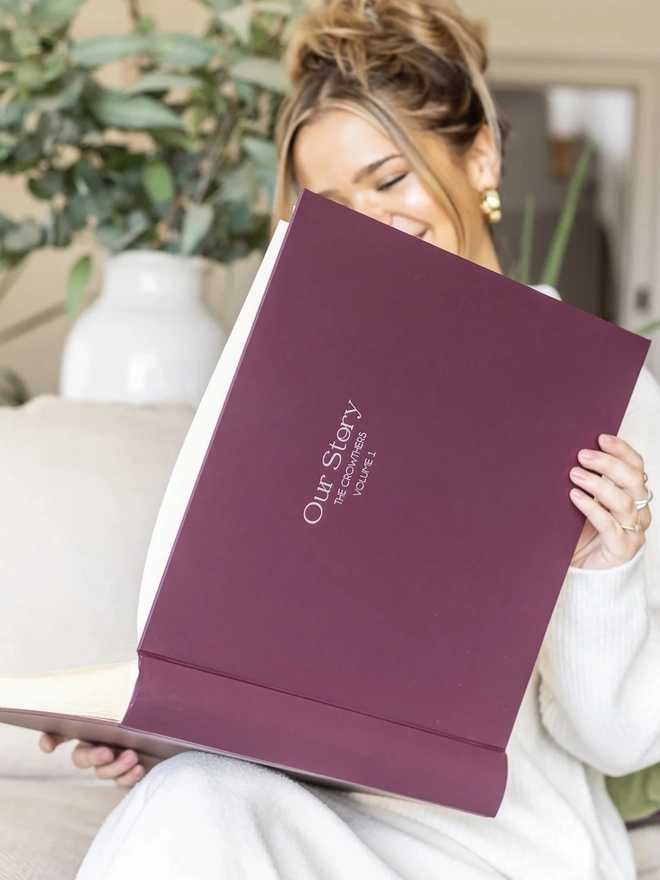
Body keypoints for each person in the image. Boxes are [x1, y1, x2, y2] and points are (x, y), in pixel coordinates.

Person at [42, 0, 660, 876]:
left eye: (390, 177)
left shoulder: (599, 393)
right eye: (331, 204)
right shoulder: (290, 388)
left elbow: (622, 743)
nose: (371, 222)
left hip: (505, 850)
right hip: (318, 830)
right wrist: (171, 735)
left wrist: (603, 571)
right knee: (189, 796)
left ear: (478, 154)